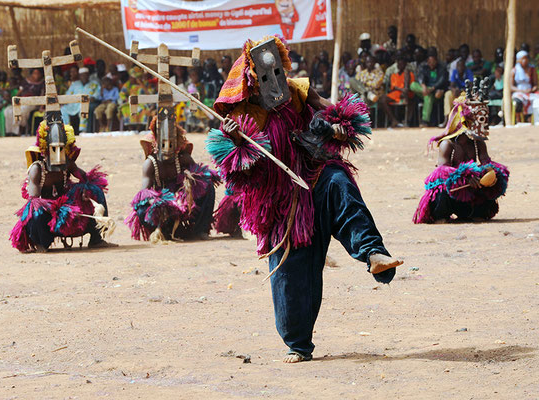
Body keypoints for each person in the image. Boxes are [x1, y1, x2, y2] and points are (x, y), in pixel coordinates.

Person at [206, 36, 403, 363]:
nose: (274, 80)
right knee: (292, 274)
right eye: (265, 76)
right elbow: (238, 167)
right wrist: (235, 138)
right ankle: (298, 344)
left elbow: (329, 111)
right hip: (281, 200)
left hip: (315, 173)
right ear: (252, 81)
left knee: (341, 183)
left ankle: (373, 253)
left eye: (278, 71)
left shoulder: (298, 90)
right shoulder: (244, 113)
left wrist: (338, 123)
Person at [10, 112, 115, 252]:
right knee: (36, 213)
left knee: (95, 190)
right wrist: (63, 210)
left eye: (61, 149)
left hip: (66, 206)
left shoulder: (68, 164)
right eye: (54, 149)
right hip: (48, 213)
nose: (58, 155)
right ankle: (41, 243)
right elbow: (34, 202)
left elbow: (86, 178)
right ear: (45, 149)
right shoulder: (37, 169)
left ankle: (96, 239)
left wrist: (85, 192)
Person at [413, 81, 509, 223]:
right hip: (451, 196)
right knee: (440, 189)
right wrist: (465, 177)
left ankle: (473, 214)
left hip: (469, 195)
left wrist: (489, 174)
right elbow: (441, 173)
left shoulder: (478, 142)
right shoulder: (448, 144)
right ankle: (441, 216)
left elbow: (486, 162)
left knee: (489, 188)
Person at [126, 112, 220, 242]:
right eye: (164, 143)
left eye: (171, 142)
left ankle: (200, 230)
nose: (167, 147)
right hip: (162, 206)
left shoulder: (184, 159)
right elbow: (143, 193)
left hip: (183, 204)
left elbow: (201, 179)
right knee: (141, 209)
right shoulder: (150, 164)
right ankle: (164, 232)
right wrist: (155, 202)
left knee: (208, 186)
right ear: (156, 142)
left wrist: (190, 185)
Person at [411, 54, 448, 126]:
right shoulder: (424, 68)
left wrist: (432, 89)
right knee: (413, 85)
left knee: (428, 97)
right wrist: (424, 88)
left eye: (433, 62)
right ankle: (425, 121)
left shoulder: (441, 69)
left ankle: (425, 121)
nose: (431, 63)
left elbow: (441, 81)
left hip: (435, 93)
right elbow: (421, 78)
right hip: (424, 90)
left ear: (436, 61)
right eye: (429, 62)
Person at [61, 67, 100, 133]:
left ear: (88, 75)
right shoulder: (75, 84)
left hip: (85, 104)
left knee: (83, 108)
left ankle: (83, 130)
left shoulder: (94, 84)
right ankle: (66, 129)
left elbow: (97, 94)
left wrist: (92, 98)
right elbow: (68, 95)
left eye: (86, 75)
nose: (84, 77)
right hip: (73, 105)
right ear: (79, 76)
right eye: (82, 75)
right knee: (63, 109)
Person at [380, 56, 415, 127]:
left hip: (407, 94)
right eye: (399, 64)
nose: (400, 65)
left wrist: (401, 89)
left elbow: (409, 87)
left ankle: (406, 121)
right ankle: (393, 120)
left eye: (402, 64)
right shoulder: (394, 75)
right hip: (396, 94)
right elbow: (393, 87)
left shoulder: (409, 74)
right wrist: (401, 89)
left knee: (408, 96)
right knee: (382, 99)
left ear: (405, 64)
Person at [511, 50, 539, 122]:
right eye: (523, 58)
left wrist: (532, 89)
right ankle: (519, 120)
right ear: (518, 60)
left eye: (526, 58)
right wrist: (522, 91)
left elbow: (536, 85)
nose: (525, 60)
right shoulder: (514, 70)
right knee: (518, 101)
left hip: (530, 92)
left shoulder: (532, 70)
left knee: (536, 100)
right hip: (519, 92)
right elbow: (511, 87)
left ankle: (532, 119)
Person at [443, 59, 473, 125]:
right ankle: (447, 118)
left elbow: (471, 85)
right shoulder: (454, 72)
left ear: (464, 67)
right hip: (457, 92)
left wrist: (461, 90)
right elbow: (452, 85)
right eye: (458, 66)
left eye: (461, 66)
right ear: (456, 67)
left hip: (465, 92)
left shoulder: (468, 72)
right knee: (448, 94)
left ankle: (466, 119)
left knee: (469, 95)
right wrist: (454, 90)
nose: (460, 68)